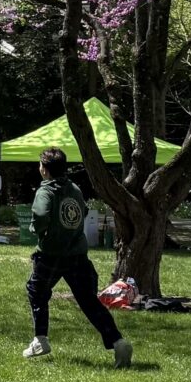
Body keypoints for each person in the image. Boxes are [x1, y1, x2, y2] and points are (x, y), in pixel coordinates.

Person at [23, 148, 131, 367]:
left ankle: (40, 339)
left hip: (51, 255)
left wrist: (38, 229)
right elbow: (82, 211)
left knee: (37, 292)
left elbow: (41, 215)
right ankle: (118, 342)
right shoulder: (75, 189)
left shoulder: (45, 191)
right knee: (89, 301)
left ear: (44, 169)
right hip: (78, 255)